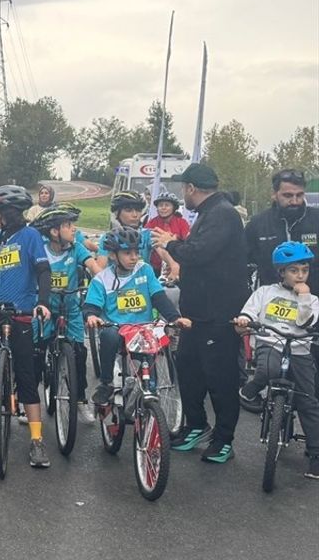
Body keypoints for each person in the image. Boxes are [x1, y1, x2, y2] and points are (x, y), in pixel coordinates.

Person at [151, 162, 249, 463]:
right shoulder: (209, 213)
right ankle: (195, 424)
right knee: (189, 370)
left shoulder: (222, 214)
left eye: (184, 189)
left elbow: (200, 253)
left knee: (220, 378)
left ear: (192, 188)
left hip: (219, 314)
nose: (184, 195)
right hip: (196, 313)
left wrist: (171, 244)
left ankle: (223, 440)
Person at [0, 185, 54, 468]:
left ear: (7, 213)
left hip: (22, 313)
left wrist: (42, 302)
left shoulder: (30, 237)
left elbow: (43, 270)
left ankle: (37, 441)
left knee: (27, 378)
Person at [234, 241, 319, 479]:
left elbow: (305, 323)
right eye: (294, 270)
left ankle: (315, 454)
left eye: (304, 270)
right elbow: (249, 311)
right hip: (270, 343)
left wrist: (303, 298)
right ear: (281, 272)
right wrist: (243, 319)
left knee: (308, 402)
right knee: (267, 369)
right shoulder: (265, 292)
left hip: (299, 349)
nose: (300, 275)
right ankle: (252, 388)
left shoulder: (311, 299)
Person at [85, 227, 187, 402]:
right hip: (117, 330)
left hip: (143, 329)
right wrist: (92, 316)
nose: (134, 257)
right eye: (127, 253)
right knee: (108, 336)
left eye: (136, 252)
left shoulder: (145, 270)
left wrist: (175, 318)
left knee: (158, 344)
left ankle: (149, 388)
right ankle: (106, 383)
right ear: (112, 255)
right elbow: (91, 305)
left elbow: (158, 297)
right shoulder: (102, 279)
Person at [32, 205, 96, 423]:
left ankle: (80, 400)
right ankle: (27, 401)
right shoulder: (40, 249)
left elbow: (93, 266)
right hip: (45, 308)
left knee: (79, 353)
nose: (73, 229)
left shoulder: (76, 248)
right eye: (68, 225)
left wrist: (106, 284)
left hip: (71, 307)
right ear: (54, 231)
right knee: (36, 352)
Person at [245, 169, 319, 293]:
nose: (294, 201)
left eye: (299, 195)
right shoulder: (258, 224)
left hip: (313, 300)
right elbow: (243, 263)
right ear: (274, 194)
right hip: (272, 302)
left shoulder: (316, 219)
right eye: (288, 195)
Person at [145, 191, 190, 275]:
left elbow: (187, 242)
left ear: (174, 208)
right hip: (155, 267)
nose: (163, 208)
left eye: (167, 205)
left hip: (178, 265)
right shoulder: (151, 223)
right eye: (160, 205)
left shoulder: (182, 223)